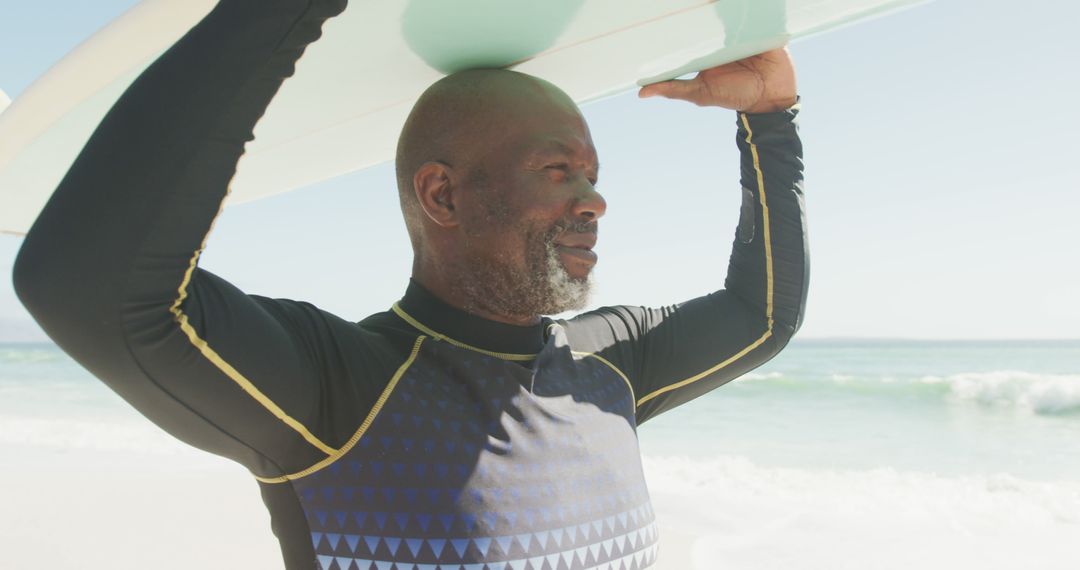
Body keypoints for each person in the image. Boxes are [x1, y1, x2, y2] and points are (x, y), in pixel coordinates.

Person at [13, 0, 807, 568]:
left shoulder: (610, 367)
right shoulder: (342, 391)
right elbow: (91, 285)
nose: (593, 200)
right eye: (558, 169)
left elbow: (761, 315)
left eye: (593, 175)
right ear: (442, 196)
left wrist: (771, 120)